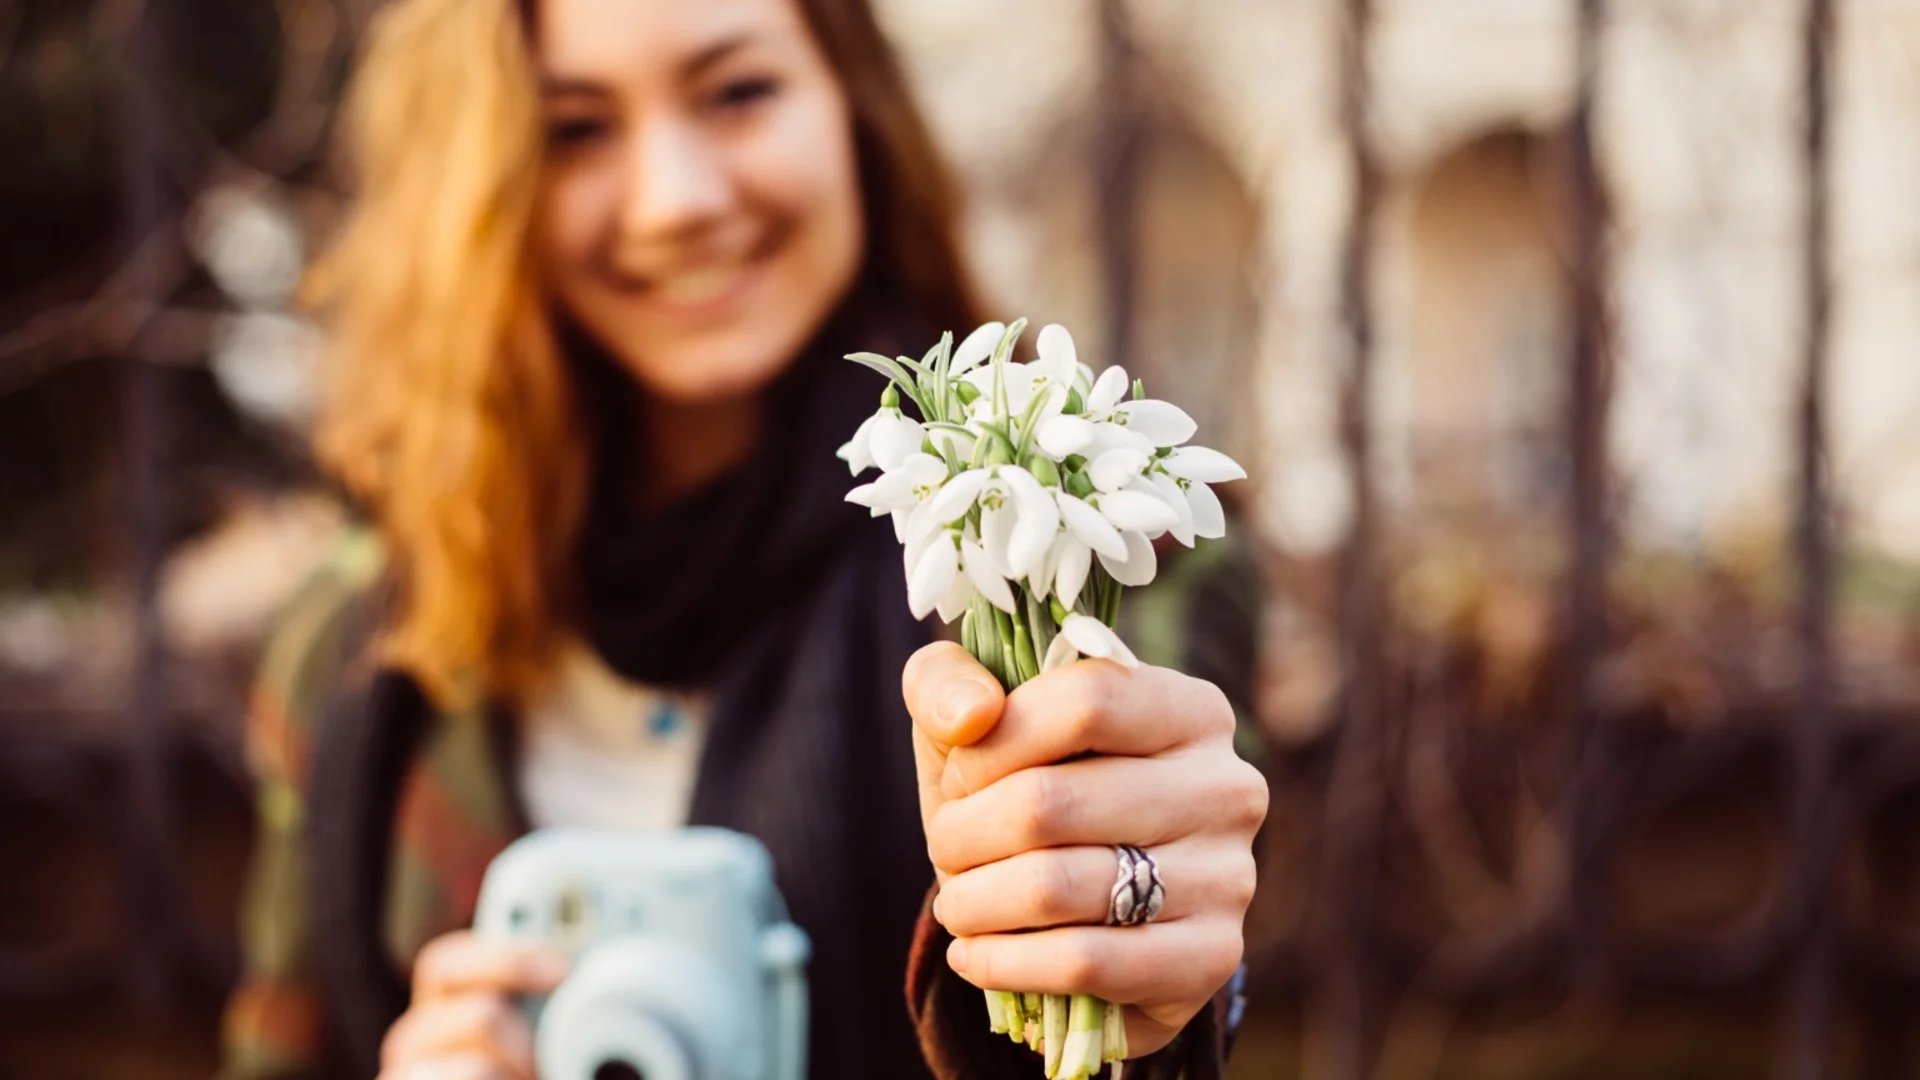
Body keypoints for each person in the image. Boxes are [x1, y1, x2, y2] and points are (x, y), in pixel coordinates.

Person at [218, 0, 1268, 1078]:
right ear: (478, 187)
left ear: (854, 111)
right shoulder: (355, 647)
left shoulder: (1065, 559)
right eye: (575, 129)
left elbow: (1157, 932)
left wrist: (1146, 980)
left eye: (738, 93)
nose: (676, 199)